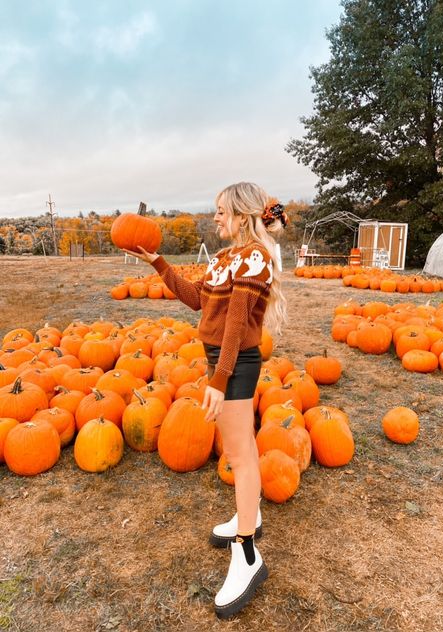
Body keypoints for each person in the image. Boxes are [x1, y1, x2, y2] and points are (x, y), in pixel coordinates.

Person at [123, 182, 287, 618]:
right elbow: (199, 300)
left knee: (240, 455)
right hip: (223, 361)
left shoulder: (254, 256)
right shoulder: (225, 258)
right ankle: (247, 515)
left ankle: (247, 555)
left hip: (234, 363)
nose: (215, 217)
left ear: (241, 214)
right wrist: (158, 263)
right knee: (244, 449)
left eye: (220, 211)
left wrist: (219, 379)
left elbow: (235, 324)